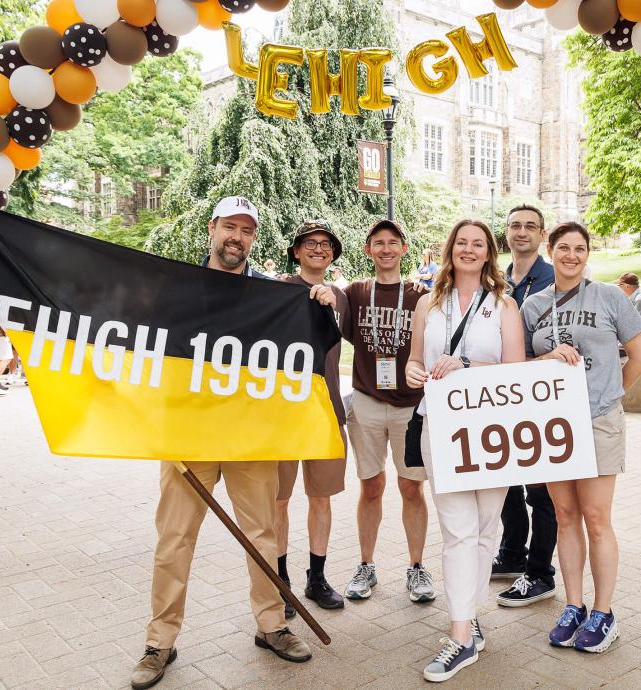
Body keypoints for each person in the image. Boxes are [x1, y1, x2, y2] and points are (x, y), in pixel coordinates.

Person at [132, 197, 322, 690]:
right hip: (188, 435)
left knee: (262, 534)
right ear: (212, 228)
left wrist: (320, 307)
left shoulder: (272, 295)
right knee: (175, 539)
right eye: (229, 227)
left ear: (254, 239)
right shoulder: (177, 287)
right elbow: (151, 355)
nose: (236, 237)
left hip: (249, 436)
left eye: (246, 230)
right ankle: (161, 641)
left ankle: (271, 624)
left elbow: (309, 351)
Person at [521, 221, 641, 654]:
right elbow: (521, 364)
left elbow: (640, 354)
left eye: (579, 249)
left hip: (597, 420)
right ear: (550, 250)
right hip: (553, 424)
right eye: (563, 248)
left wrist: (610, 396)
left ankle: (603, 611)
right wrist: (545, 356)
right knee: (564, 515)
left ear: (587, 254)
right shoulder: (533, 304)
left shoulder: (610, 296)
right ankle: (573, 604)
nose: (571, 255)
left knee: (596, 517)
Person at [405, 219, 525, 682]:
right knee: (457, 528)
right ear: (450, 250)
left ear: (489, 253)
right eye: (462, 242)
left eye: (479, 244)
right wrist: (416, 372)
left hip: (492, 429)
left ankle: (468, 614)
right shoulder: (426, 305)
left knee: (483, 528)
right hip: (442, 426)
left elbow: (514, 370)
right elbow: (415, 359)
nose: (469, 250)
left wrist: (468, 363)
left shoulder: (503, 306)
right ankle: (459, 636)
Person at [341, 219, 436, 605]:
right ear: (368, 250)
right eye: (377, 243)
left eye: (392, 243)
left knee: (412, 487)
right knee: (370, 486)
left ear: (404, 248)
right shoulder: (355, 292)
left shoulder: (419, 296)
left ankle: (416, 566)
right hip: (366, 402)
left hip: (409, 406)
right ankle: (366, 564)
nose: (385, 249)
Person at [275, 221, 350, 615]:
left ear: (333, 254)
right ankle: (280, 578)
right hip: (284, 415)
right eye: (310, 243)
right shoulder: (276, 290)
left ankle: (316, 577)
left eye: (325, 244)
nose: (318, 249)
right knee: (278, 499)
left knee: (320, 498)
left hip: (326, 412)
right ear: (296, 251)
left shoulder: (341, 296)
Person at [493, 204, 558, 607]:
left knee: (541, 490)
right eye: (514, 225)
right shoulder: (495, 278)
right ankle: (513, 553)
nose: (521, 232)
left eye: (529, 226)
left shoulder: (554, 278)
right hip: (501, 395)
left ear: (542, 234)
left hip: (539, 398)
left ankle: (540, 572)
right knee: (505, 480)